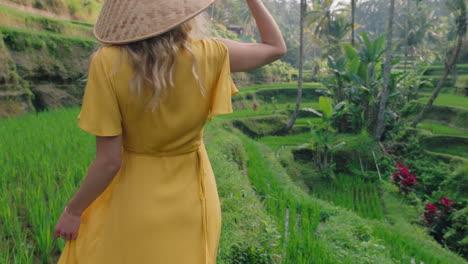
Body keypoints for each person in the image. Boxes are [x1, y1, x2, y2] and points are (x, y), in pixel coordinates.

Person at [53, 0, 286, 263]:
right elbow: (275, 48)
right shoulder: (209, 53)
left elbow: (108, 161)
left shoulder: (107, 62)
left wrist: (73, 211)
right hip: (193, 194)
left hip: (134, 194)